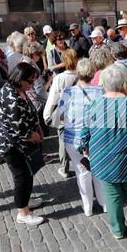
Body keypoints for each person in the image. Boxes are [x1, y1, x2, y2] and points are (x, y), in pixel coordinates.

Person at [78, 65, 127, 239]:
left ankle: (118, 230)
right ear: (122, 84)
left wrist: (88, 154)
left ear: (104, 85)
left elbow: (84, 135)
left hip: (103, 160)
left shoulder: (93, 105)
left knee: (112, 196)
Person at [0, 63, 45, 226]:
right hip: (12, 146)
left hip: (19, 143)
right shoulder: (12, 98)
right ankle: (23, 213)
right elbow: (20, 131)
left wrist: (36, 125)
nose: (32, 85)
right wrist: (35, 136)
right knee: (22, 177)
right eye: (30, 82)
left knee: (27, 174)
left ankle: (26, 200)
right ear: (19, 79)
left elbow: (28, 111)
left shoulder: (17, 89)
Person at [59, 58, 106, 216]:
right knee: (99, 170)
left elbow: (61, 115)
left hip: (74, 138)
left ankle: (88, 208)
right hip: (96, 138)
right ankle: (104, 203)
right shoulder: (101, 91)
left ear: (77, 74)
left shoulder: (68, 92)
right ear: (93, 74)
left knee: (82, 171)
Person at [43, 49, 78, 178]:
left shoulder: (60, 78)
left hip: (64, 112)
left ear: (64, 62)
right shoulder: (81, 75)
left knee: (63, 141)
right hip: (79, 112)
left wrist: (46, 115)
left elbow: (53, 99)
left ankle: (64, 168)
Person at [21, 42, 53, 137]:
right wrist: (50, 81)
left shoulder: (22, 61)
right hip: (36, 103)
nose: (39, 58)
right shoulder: (32, 68)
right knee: (40, 131)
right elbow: (40, 91)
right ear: (34, 54)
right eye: (38, 55)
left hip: (28, 99)